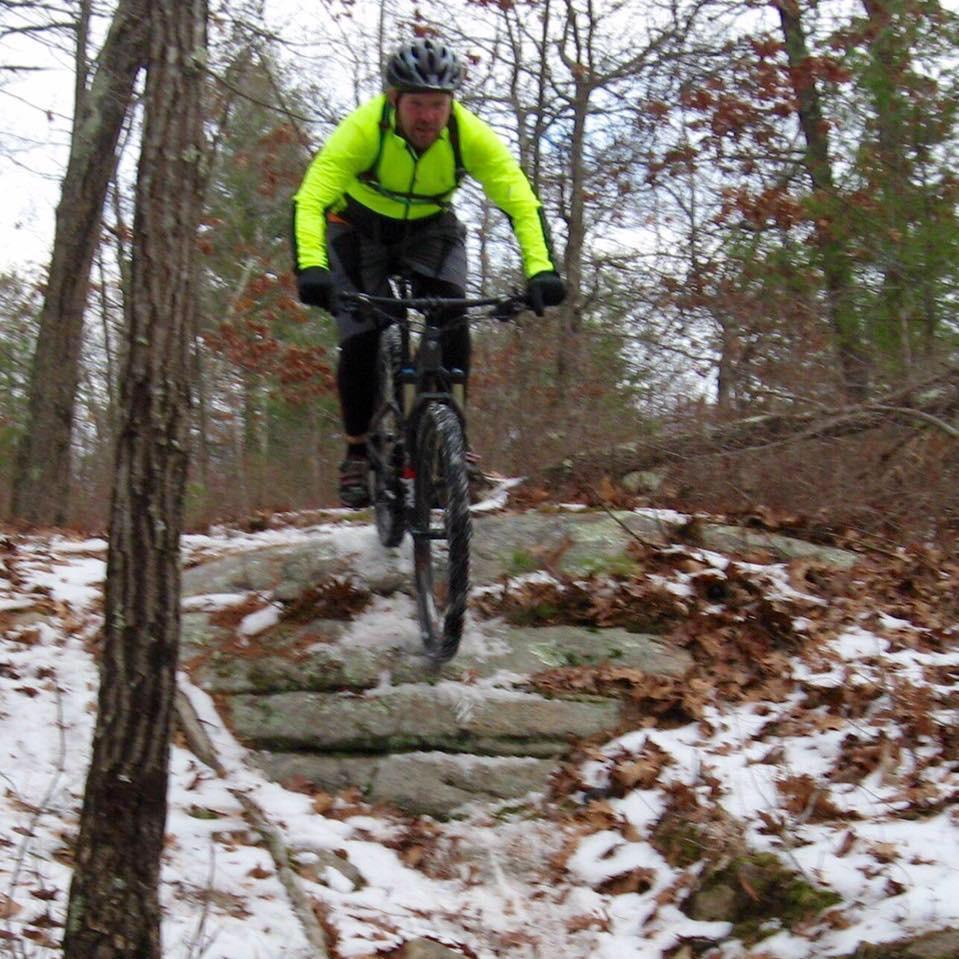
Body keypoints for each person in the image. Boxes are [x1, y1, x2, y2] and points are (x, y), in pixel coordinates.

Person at [292, 37, 566, 508]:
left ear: (450, 104)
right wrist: (311, 267)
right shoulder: (363, 130)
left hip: (430, 230)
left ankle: (450, 438)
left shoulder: (468, 135)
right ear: (394, 100)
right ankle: (358, 451)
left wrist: (541, 270)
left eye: (437, 105)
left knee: (452, 315)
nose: (427, 117)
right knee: (361, 335)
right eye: (417, 104)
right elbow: (311, 198)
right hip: (357, 229)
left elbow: (521, 201)